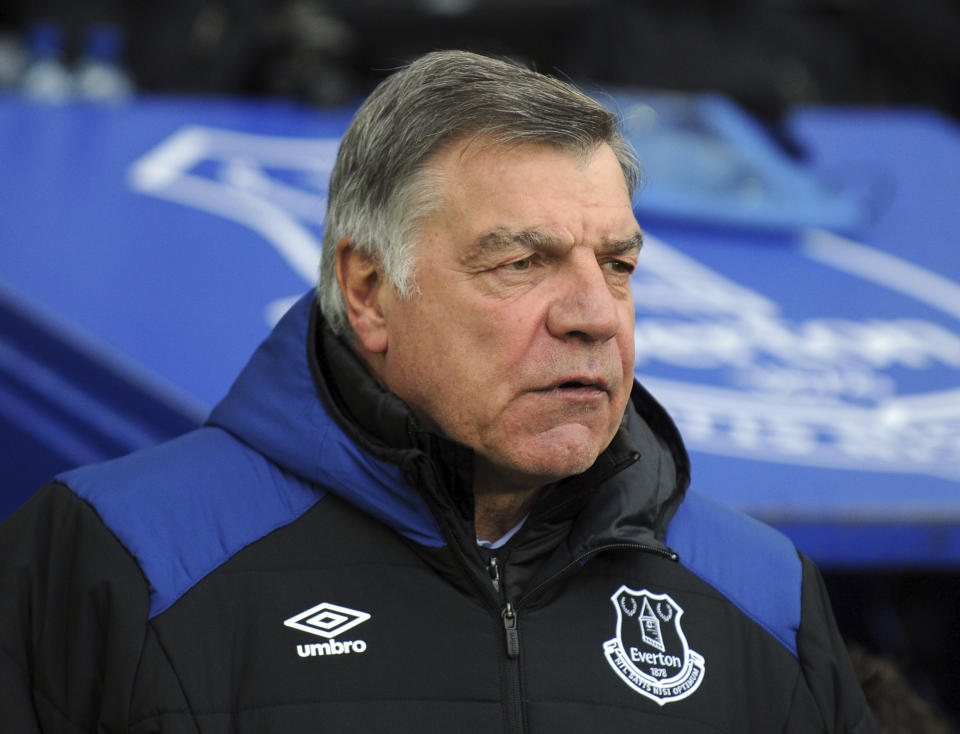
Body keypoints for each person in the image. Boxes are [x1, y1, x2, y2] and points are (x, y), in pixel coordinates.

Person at [0, 50, 877, 733]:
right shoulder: (124, 556)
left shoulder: (763, 596)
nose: (593, 315)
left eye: (617, 265)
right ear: (370, 290)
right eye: (522, 261)